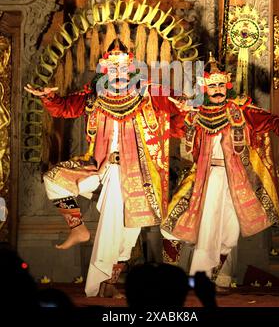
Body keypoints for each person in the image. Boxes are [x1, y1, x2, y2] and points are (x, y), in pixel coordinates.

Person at [25, 39, 181, 297]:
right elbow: (65, 108)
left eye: (122, 68)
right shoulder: (95, 94)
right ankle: (78, 230)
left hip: (139, 174)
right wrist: (50, 98)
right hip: (103, 168)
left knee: (128, 235)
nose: (117, 74)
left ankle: (108, 284)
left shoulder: (150, 93)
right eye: (112, 68)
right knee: (54, 180)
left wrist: (187, 109)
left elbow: (177, 110)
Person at [161, 52, 279, 283]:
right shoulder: (196, 114)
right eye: (212, 86)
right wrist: (182, 110)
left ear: (227, 86)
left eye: (220, 85)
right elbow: (174, 128)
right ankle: (186, 278)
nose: (217, 90)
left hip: (235, 181)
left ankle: (212, 277)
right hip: (204, 178)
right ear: (205, 89)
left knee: (230, 234)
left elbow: (265, 119)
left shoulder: (239, 110)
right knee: (184, 226)